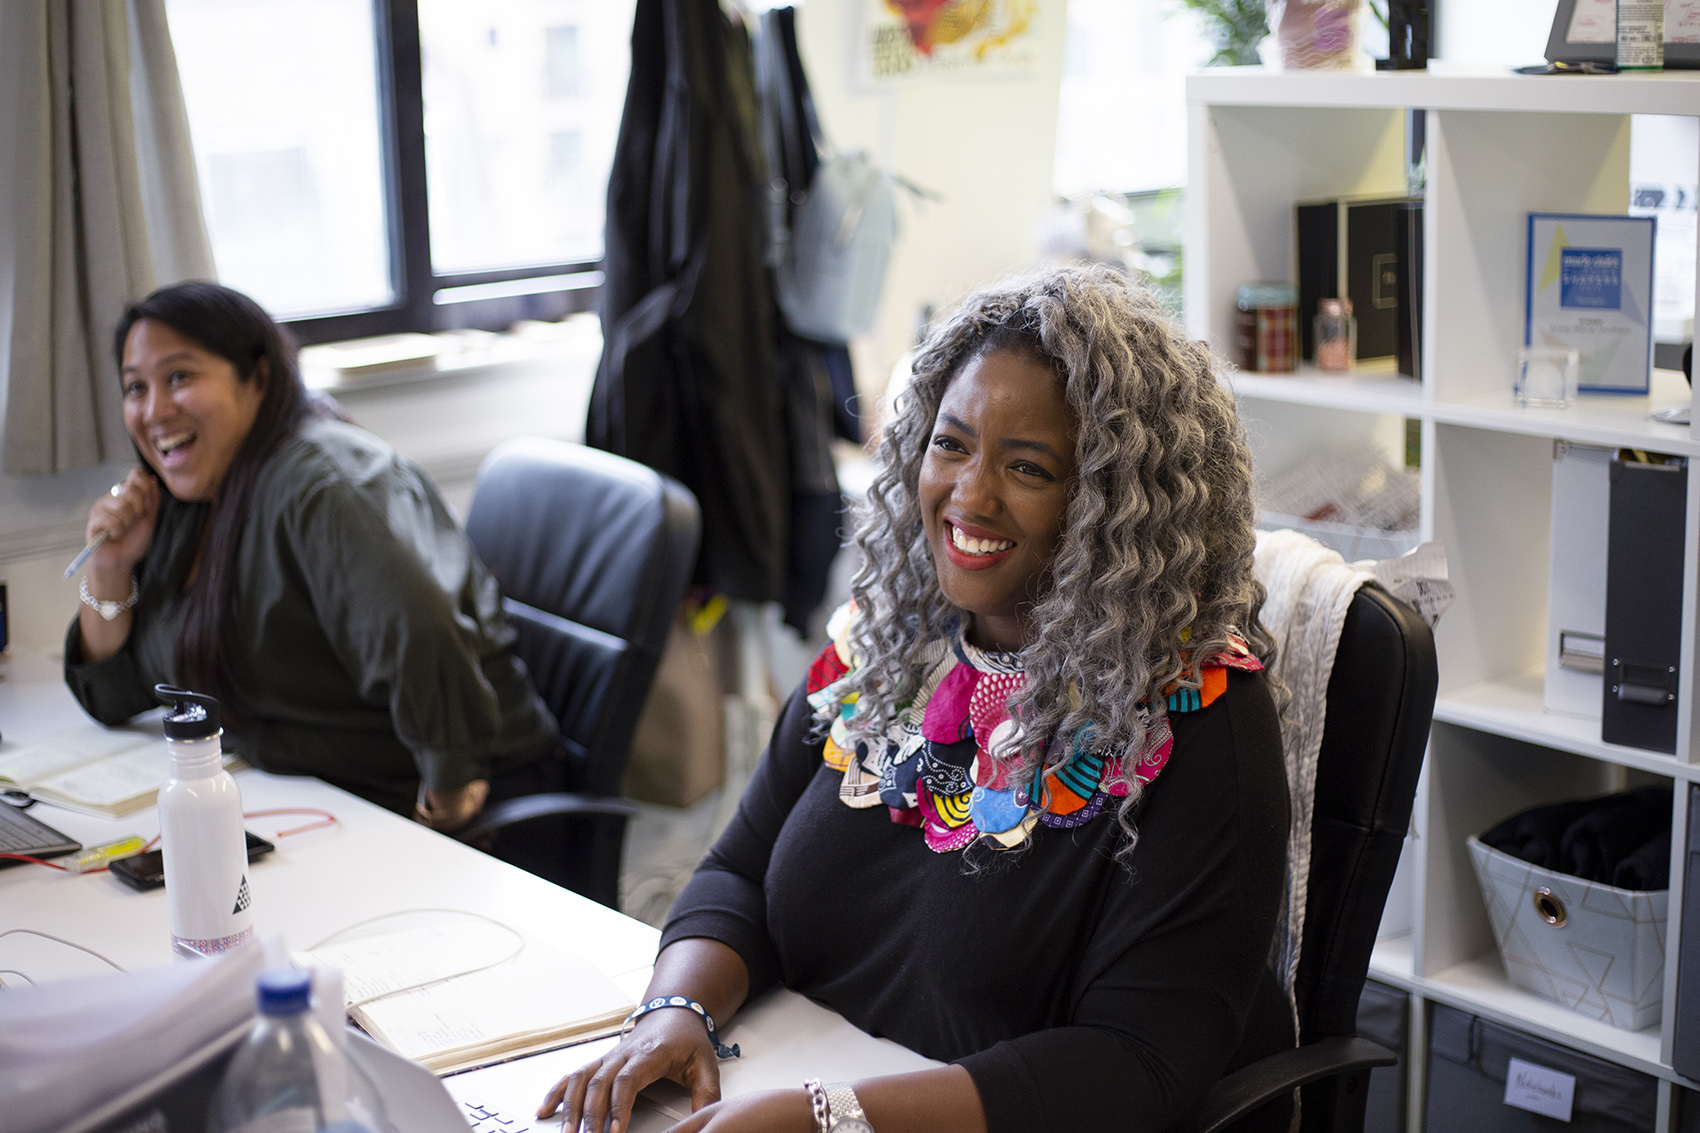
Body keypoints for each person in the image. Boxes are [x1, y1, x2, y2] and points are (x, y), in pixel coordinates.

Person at [541, 265, 1293, 1133]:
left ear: (1114, 505)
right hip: (798, 1079)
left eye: (1028, 466)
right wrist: (676, 1012)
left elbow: (1137, 1063)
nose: (970, 495)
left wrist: (832, 1120)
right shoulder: (883, 645)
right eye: (953, 443)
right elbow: (739, 871)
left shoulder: (1197, 723)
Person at [64, 281, 557, 828]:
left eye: (180, 377)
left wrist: (447, 798)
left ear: (259, 378)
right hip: (313, 799)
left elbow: (419, 634)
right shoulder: (187, 498)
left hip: (439, 802)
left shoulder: (322, 484)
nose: (154, 410)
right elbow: (114, 696)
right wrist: (110, 568)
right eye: (136, 387)